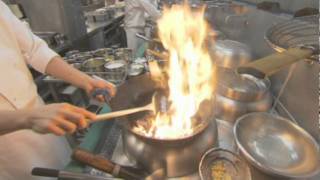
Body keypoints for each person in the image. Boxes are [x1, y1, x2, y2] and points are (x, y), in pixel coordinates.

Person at [0, 1, 116, 180]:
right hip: (8, 150)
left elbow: (35, 49)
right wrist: (27, 117)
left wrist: (86, 81)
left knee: (67, 170)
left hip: (43, 124)